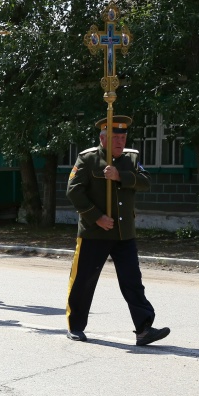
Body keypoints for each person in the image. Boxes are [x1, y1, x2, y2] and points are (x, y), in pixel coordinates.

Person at [65, 115, 170, 346]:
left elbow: (145, 181)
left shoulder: (131, 159)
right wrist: (97, 217)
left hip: (124, 233)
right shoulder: (88, 159)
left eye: (123, 137)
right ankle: (76, 326)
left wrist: (120, 176)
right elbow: (73, 191)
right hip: (95, 232)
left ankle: (144, 329)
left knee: (133, 281)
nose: (120, 142)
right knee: (84, 280)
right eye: (115, 138)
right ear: (103, 138)